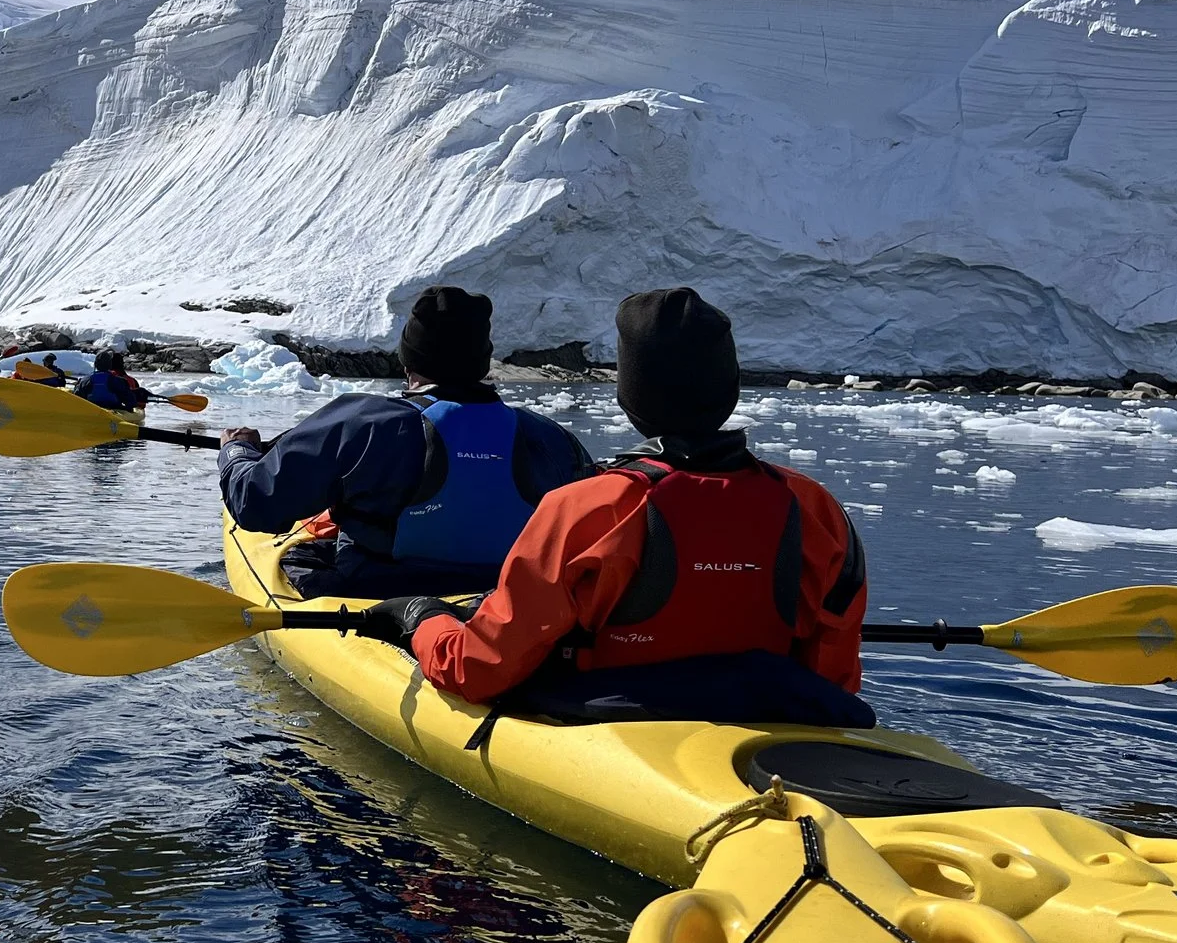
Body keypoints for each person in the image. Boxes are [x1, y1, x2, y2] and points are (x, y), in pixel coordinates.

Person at [349, 288, 871, 727]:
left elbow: (477, 670)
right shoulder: (818, 510)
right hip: (776, 730)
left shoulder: (589, 507)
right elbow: (833, 679)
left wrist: (424, 619)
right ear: (727, 388)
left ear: (632, 397)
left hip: (611, 725)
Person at [219, 286, 594, 598]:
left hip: (378, 591)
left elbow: (254, 504)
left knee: (303, 555)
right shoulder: (553, 439)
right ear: (481, 363)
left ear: (409, 362)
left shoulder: (365, 424)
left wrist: (236, 453)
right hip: (502, 594)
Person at [77, 350, 150, 411]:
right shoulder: (119, 381)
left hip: (92, 411)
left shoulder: (84, 380)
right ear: (110, 365)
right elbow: (131, 402)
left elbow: (77, 398)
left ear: (96, 365)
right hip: (113, 411)